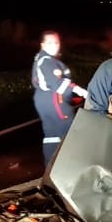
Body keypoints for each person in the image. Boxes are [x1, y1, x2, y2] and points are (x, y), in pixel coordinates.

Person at [30, 30, 88, 167]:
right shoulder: (47, 61)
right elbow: (57, 84)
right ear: (42, 45)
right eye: (50, 42)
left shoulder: (43, 59)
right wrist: (80, 91)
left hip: (46, 100)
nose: (54, 45)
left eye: (56, 42)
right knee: (71, 130)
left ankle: (51, 167)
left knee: (52, 135)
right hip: (55, 101)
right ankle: (73, 165)